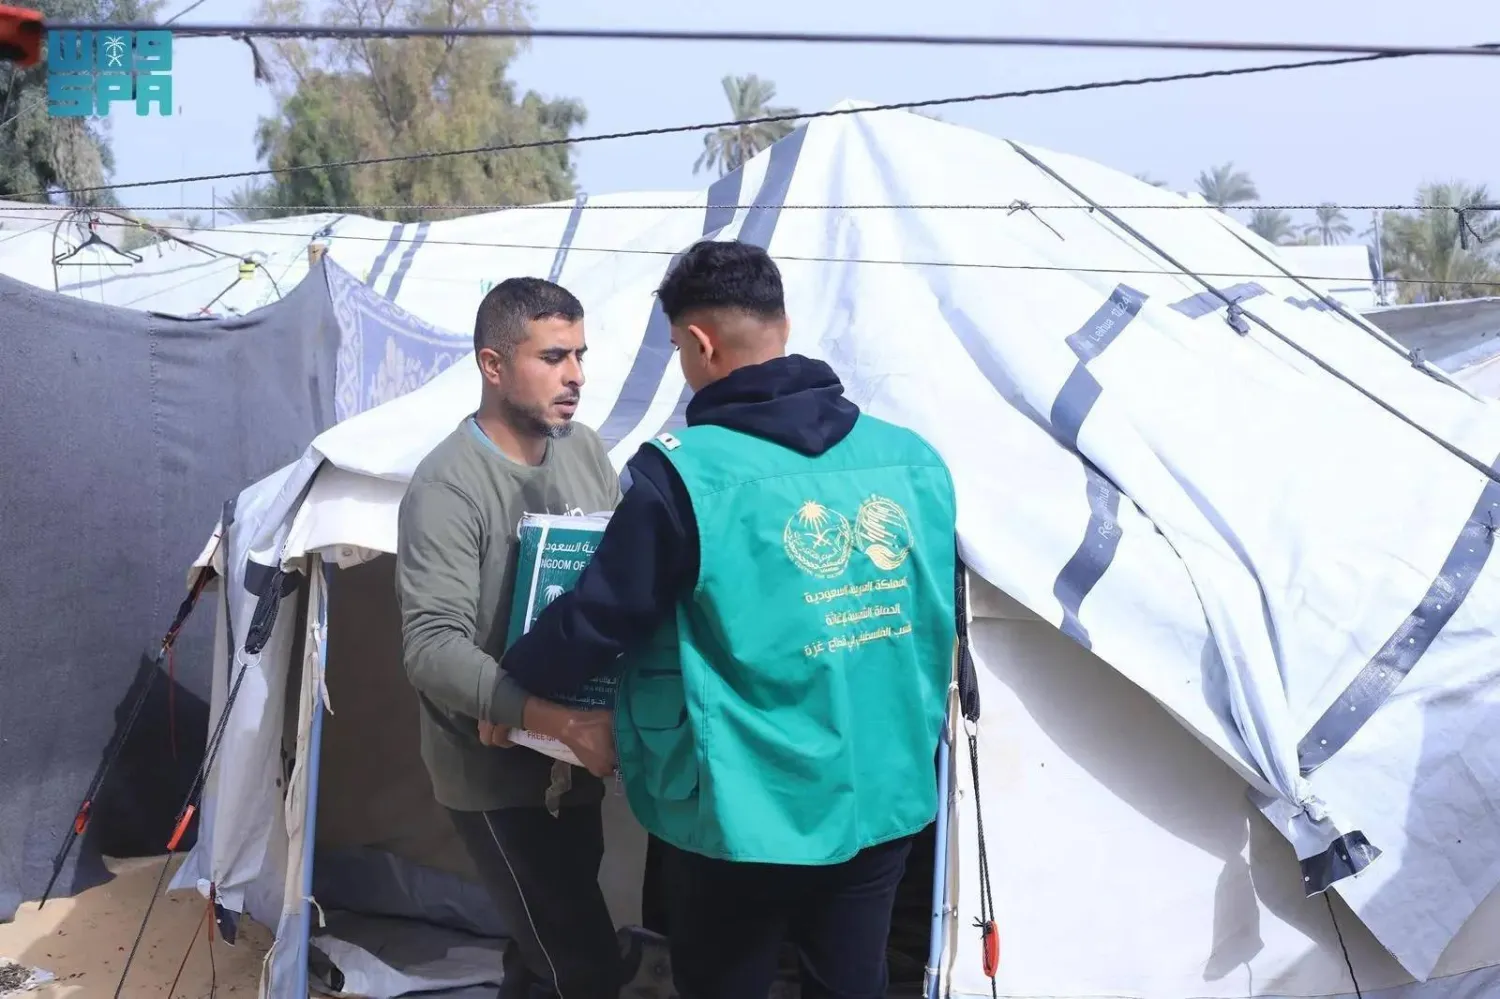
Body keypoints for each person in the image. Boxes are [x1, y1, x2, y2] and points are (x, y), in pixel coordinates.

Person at [498, 240, 959, 999]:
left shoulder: (686, 471)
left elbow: (601, 617)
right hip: (883, 791)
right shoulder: (912, 461)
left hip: (748, 807)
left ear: (700, 343)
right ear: (780, 322)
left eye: (679, 348)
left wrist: (513, 682)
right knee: (853, 980)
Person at [394, 276, 626, 999]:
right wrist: (539, 714)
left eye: (580, 355)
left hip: (575, 764)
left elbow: (617, 590)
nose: (577, 376)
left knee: (539, 959)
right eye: (555, 357)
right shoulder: (447, 486)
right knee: (582, 966)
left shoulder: (586, 452)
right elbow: (431, 646)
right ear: (493, 365)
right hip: (494, 776)